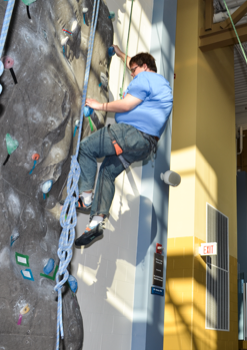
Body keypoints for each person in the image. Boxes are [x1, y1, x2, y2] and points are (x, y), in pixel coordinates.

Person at [74, 45, 173, 247]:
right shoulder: (160, 84)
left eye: (133, 71)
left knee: (87, 147)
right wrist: (120, 54)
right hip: (144, 146)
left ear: (145, 67)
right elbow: (132, 62)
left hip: (132, 133)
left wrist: (99, 105)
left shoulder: (144, 78)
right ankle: (95, 224)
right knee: (108, 173)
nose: (132, 75)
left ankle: (85, 197)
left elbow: (127, 105)